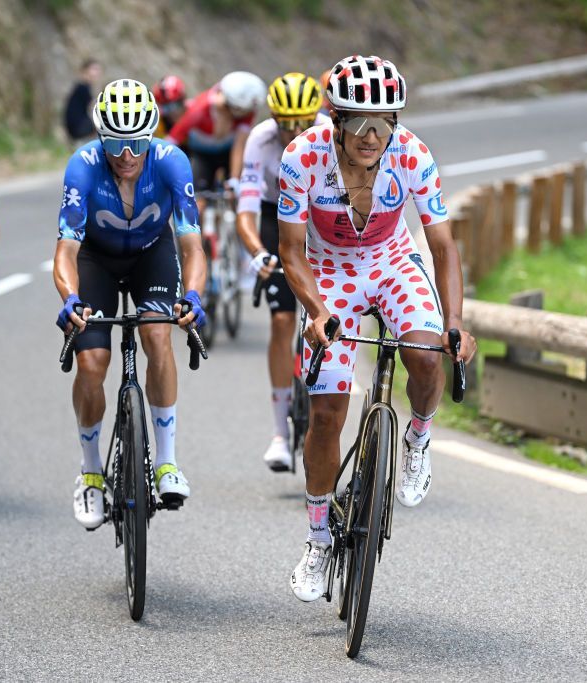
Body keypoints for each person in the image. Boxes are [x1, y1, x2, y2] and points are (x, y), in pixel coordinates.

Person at [277, 56, 477, 601]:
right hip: (328, 272)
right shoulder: (302, 157)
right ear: (336, 121)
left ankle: (417, 438)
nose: (373, 136)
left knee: (426, 353)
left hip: (391, 262)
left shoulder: (412, 154)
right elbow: (291, 253)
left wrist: (454, 322)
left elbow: (441, 246)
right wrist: (316, 312)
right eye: (360, 123)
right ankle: (318, 539)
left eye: (384, 122)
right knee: (325, 412)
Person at [53, 78, 207, 529]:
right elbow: (64, 253)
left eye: (136, 143)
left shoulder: (171, 162)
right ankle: (91, 473)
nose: (126, 155)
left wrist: (194, 296)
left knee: (157, 334)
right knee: (93, 362)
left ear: (151, 135)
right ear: (102, 139)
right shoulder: (81, 166)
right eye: (116, 144)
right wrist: (70, 299)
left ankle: (167, 462)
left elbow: (192, 246)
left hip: (150, 256)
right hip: (94, 259)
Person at [235, 72, 330, 471]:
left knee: (328, 316)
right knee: (280, 321)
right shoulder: (260, 138)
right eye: (285, 123)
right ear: (274, 117)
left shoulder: (328, 131)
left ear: (315, 116)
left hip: (319, 214)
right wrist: (257, 253)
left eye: (302, 122)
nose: (294, 131)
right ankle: (279, 431)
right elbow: (247, 209)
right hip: (277, 216)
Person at [165, 71, 266, 204]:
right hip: (203, 155)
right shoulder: (201, 108)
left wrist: (235, 179)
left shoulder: (245, 110)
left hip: (227, 153)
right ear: (232, 106)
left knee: (236, 197)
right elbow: (171, 141)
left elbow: (239, 145)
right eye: (243, 111)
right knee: (197, 200)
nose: (246, 115)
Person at [63, 58, 103, 143]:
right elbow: (94, 108)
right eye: (94, 69)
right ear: (85, 71)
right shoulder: (82, 88)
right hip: (78, 129)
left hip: (78, 128)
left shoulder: (82, 87)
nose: (97, 72)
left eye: (98, 70)